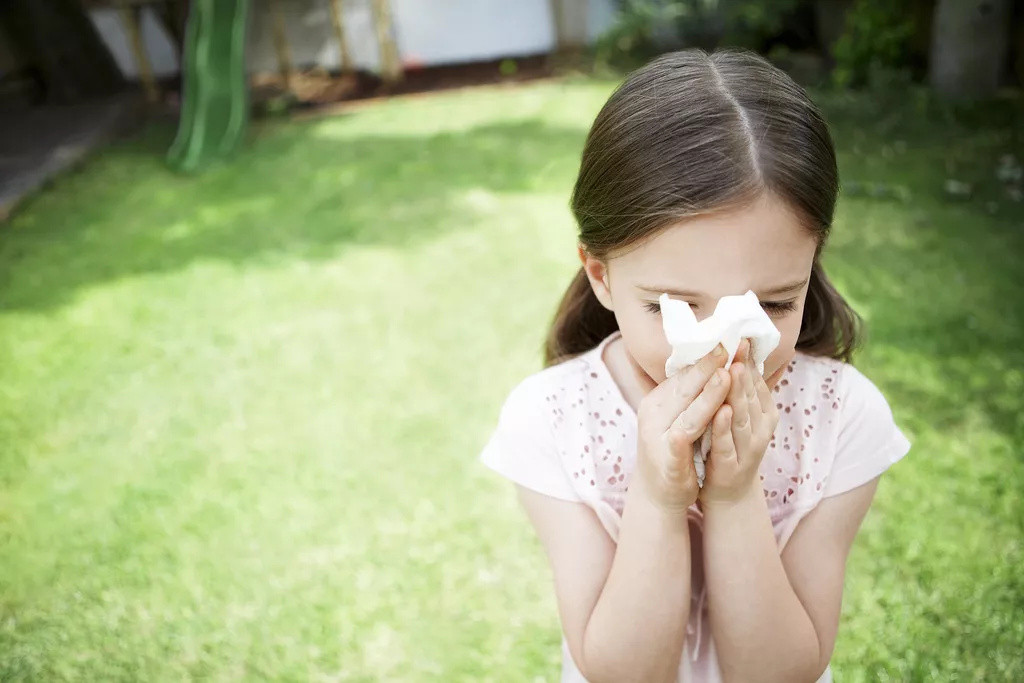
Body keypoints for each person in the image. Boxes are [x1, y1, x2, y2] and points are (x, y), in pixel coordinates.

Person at [477, 48, 912, 683]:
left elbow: (780, 672)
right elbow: (623, 673)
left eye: (773, 303)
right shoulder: (551, 420)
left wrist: (735, 497)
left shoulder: (841, 416)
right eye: (675, 307)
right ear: (601, 275)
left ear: (810, 266)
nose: (725, 348)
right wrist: (657, 495)